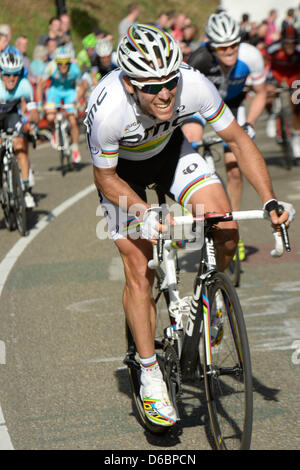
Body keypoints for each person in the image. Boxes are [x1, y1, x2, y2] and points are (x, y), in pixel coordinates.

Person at [85, 24, 292, 427]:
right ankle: (149, 375)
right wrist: (144, 214)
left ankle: (210, 303)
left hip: (171, 151)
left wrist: (269, 200)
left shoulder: (192, 84)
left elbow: (237, 139)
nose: (165, 94)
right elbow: (105, 180)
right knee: (138, 268)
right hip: (121, 173)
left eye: (169, 82)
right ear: (129, 84)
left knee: (226, 225)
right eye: (151, 87)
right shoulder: (108, 109)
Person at [182, 12, 267, 261]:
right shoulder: (198, 59)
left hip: (232, 106)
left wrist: (249, 123)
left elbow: (261, 92)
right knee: (191, 136)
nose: (229, 51)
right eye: (223, 47)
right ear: (212, 46)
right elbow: (184, 99)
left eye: (233, 45)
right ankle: (193, 214)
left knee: (233, 166)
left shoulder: (251, 56)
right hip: (201, 106)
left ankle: (233, 226)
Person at [0, 52, 39, 208]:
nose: (11, 78)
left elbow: (34, 112)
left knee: (20, 145)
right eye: (7, 74)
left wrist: (31, 123)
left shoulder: (24, 85)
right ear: (1, 73)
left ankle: (26, 189)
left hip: (11, 116)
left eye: (15, 74)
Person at [36, 45, 82, 164]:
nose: (63, 67)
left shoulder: (75, 69)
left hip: (69, 92)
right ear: (56, 63)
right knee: (50, 116)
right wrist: (40, 103)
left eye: (66, 63)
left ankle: (75, 148)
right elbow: (40, 85)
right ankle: (54, 132)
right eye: (60, 64)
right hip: (55, 91)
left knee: (72, 120)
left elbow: (82, 86)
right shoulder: (51, 67)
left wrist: (77, 100)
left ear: (69, 62)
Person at [263, 24, 300, 159]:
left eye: (293, 42)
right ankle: (272, 115)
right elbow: (263, 60)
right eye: (287, 42)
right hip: (276, 73)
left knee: (297, 104)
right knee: (267, 95)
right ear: (281, 41)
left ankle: (296, 138)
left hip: (293, 76)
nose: (290, 45)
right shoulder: (273, 48)